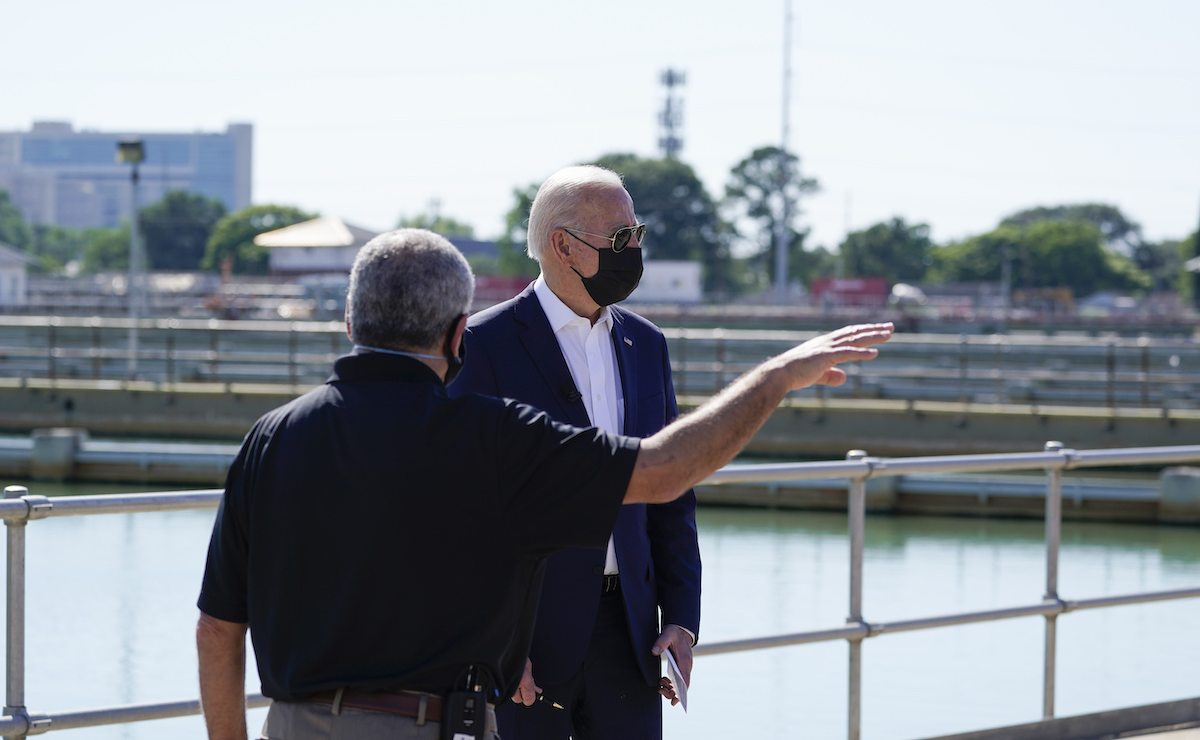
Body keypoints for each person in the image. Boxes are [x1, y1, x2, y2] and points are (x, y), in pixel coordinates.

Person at [196, 227, 892, 740]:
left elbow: (218, 630)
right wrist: (775, 377)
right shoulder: (494, 437)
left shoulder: (270, 440)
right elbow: (664, 471)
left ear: (349, 323)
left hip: (294, 727)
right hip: (436, 727)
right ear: (460, 335)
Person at [447, 165, 697, 740]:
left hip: (631, 634)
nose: (634, 251)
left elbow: (672, 489)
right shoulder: (482, 347)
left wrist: (683, 617)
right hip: (526, 641)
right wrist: (496, 643)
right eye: (619, 239)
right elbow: (461, 514)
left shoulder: (647, 345)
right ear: (563, 245)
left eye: (638, 235)